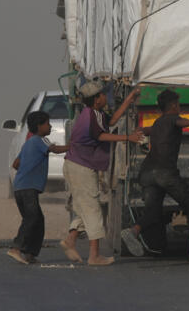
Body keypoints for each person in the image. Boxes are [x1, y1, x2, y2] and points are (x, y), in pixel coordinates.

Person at [120, 89, 189, 265]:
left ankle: (133, 231)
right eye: (179, 104)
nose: (179, 107)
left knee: (153, 211)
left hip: (147, 173)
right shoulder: (173, 118)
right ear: (173, 106)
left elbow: (145, 130)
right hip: (165, 173)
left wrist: (140, 130)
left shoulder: (157, 123)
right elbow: (179, 122)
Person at [61, 81, 143, 266]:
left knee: (84, 206)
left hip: (77, 164)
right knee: (93, 208)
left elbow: (112, 121)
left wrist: (130, 98)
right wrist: (128, 138)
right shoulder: (91, 116)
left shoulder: (94, 114)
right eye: (103, 94)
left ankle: (70, 240)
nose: (106, 97)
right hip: (81, 166)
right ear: (97, 99)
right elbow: (101, 136)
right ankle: (94, 255)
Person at [7, 111, 69, 265]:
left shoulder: (28, 143)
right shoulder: (40, 140)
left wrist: (29, 165)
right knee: (32, 218)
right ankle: (16, 248)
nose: (50, 126)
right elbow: (55, 149)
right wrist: (73, 147)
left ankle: (30, 253)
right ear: (39, 126)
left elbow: (15, 164)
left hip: (20, 188)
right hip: (28, 188)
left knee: (38, 220)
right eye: (47, 123)